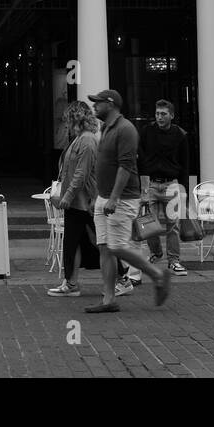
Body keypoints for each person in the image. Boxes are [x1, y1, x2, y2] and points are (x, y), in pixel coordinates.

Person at [83, 89, 170, 313]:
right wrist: (98, 196)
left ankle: (157, 275)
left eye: (97, 103)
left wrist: (113, 198)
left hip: (121, 200)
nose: (94, 107)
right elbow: (104, 166)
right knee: (104, 248)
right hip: (104, 198)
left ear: (110, 104)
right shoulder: (107, 128)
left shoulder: (125, 129)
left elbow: (126, 166)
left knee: (117, 246)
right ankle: (109, 299)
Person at [47, 101, 100, 297]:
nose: (66, 124)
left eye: (67, 120)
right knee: (79, 243)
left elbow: (81, 174)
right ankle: (71, 283)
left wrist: (66, 197)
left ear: (75, 119)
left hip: (82, 202)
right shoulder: (80, 139)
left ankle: (72, 284)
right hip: (80, 201)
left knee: (83, 243)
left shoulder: (86, 141)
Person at [138, 99, 190, 276]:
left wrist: (184, 191)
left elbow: (185, 164)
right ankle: (156, 252)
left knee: (173, 225)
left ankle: (174, 261)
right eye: (157, 113)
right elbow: (141, 160)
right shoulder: (146, 132)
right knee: (148, 223)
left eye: (163, 114)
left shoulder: (180, 135)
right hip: (151, 183)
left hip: (171, 183)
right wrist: (143, 187)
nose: (159, 117)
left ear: (172, 116)